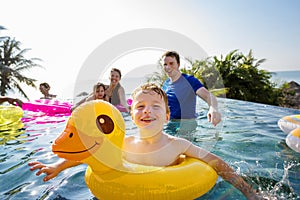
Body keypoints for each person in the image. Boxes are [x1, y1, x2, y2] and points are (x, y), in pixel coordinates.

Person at [28, 83, 258, 199]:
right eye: (140, 107)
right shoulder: (123, 142)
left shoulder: (178, 145)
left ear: (167, 116)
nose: (147, 111)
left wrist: (247, 190)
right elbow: (91, 154)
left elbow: (215, 162)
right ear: (132, 114)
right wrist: (57, 166)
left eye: (155, 107)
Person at [161, 51, 222, 134]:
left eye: (171, 63)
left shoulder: (190, 81)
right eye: (165, 64)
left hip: (186, 126)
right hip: (170, 125)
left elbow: (208, 96)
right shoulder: (165, 84)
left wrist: (213, 108)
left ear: (178, 64)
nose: (168, 67)